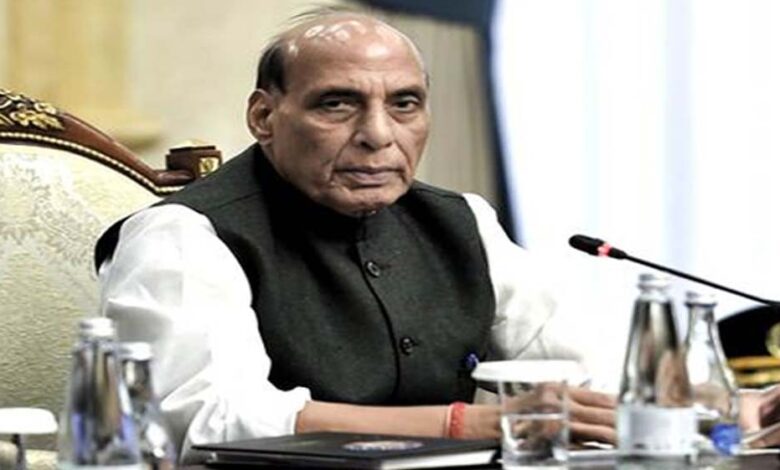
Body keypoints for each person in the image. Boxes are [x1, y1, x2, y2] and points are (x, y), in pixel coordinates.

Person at [94, 8, 779, 462]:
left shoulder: (461, 220)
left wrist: (725, 410)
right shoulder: (181, 237)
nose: (378, 135)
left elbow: (584, 374)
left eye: (404, 104)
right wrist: (465, 424)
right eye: (338, 104)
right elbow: (205, 421)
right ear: (264, 117)